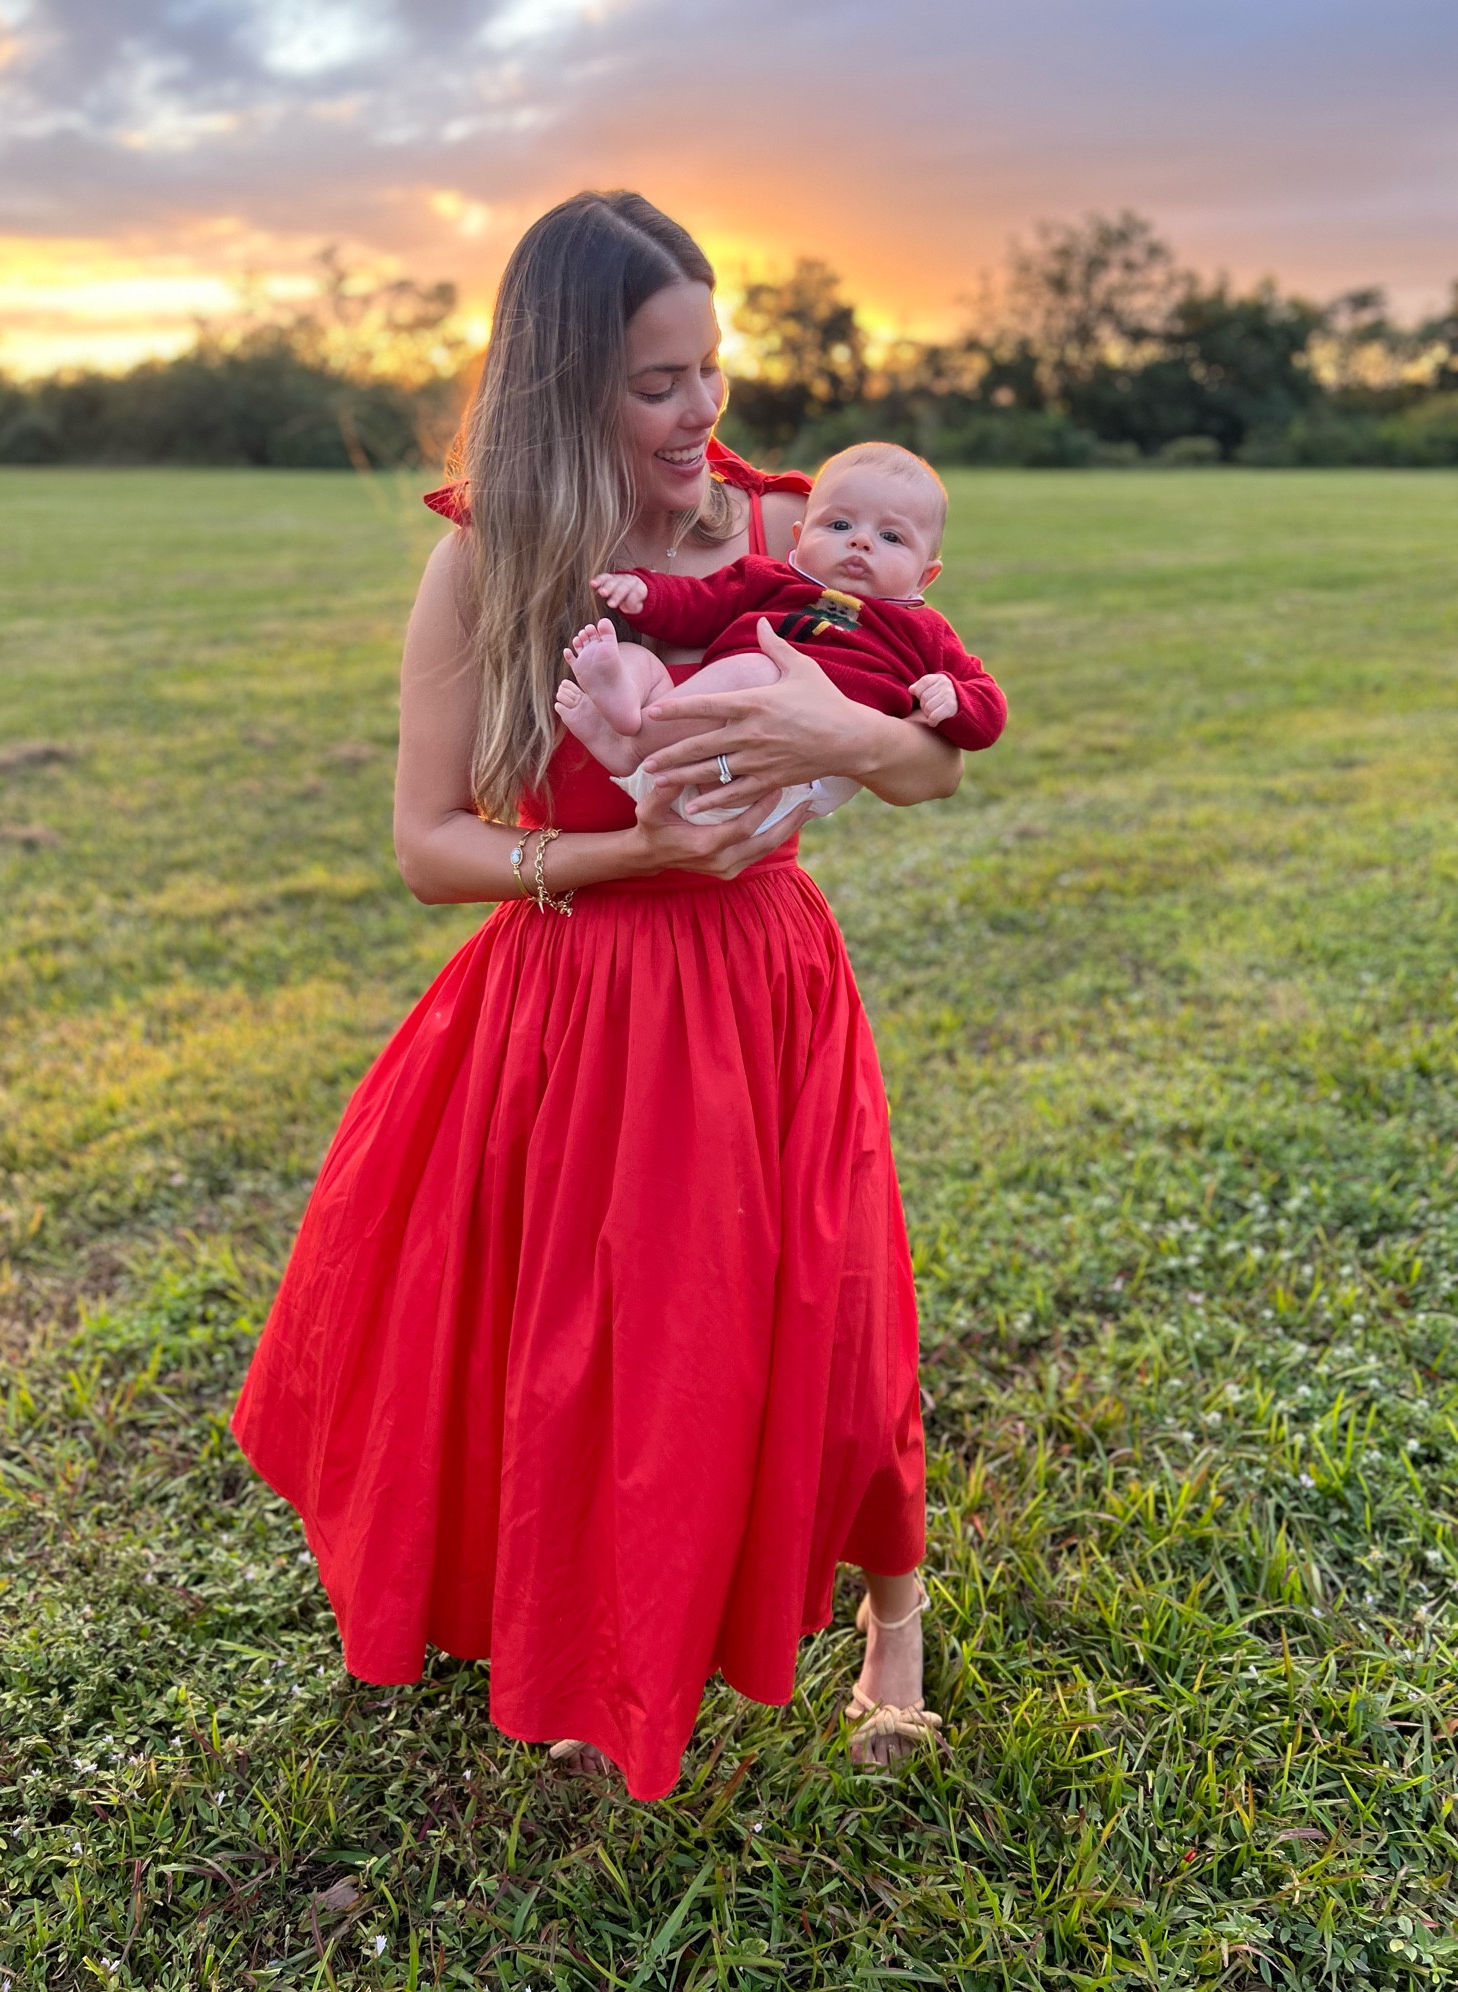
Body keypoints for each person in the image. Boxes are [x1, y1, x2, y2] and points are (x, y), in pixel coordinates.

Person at [230, 190, 968, 1799]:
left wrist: (831, 741)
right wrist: (631, 850)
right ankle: (590, 1647)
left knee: (833, 1318)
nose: (702, 410)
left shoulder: (785, 532)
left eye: (711, 364)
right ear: (565, 387)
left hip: (766, 984)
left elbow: (938, 755)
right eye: (656, 383)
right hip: (579, 1001)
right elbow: (430, 850)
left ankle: (893, 1620)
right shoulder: (489, 558)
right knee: (599, 1354)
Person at [556, 441, 1006, 828]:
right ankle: (620, 733)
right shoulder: (768, 581)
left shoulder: (923, 631)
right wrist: (646, 593)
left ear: (925, 577)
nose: (860, 542)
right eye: (840, 525)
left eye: (891, 537)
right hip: (704, 744)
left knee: (758, 667)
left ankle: (633, 744)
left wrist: (955, 700)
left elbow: (986, 704)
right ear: (799, 536)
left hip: (788, 775)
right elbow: (699, 603)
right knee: (634, 657)